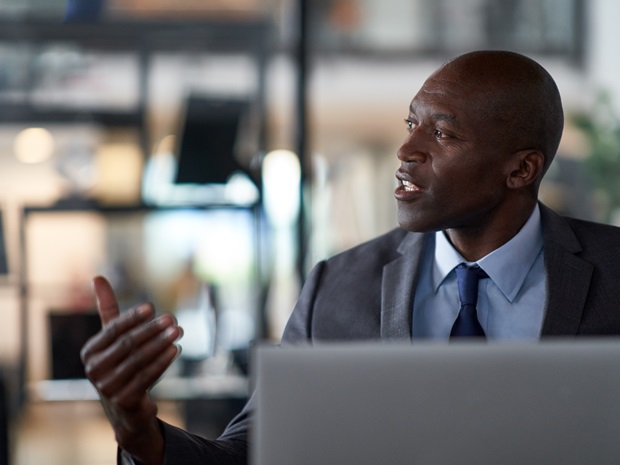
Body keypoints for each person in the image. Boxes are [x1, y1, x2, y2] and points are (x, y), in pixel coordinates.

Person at [81, 50, 620, 465]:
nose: (407, 152)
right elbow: (253, 453)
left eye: (443, 133)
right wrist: (138, 430)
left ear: (522, 170)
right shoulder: (336, 288)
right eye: (413, 124)